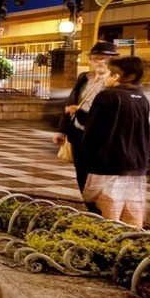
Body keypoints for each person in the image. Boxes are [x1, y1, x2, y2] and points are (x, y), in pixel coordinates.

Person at [77, 56, 149, 226]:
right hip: (136, 164)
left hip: (109, 162)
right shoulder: (142, 98)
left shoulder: (107, 96)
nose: (105, 76)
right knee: (131, 214)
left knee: (109, 216)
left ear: (116, 76)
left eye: (108, 72)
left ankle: (110, 248)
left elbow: (93, 130)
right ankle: (133, 247)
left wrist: (83, 158)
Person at [53, 41, 117, 211]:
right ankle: (91, 208)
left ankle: (101, 209)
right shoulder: (84, 78)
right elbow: (72, 102)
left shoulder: (114, 81)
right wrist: (62, 130)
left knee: (97, 173)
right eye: (95, 58)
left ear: (111, 60)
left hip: (100, 134)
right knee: (81, 171)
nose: (98, 62)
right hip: (78, 131)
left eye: (102, 58)